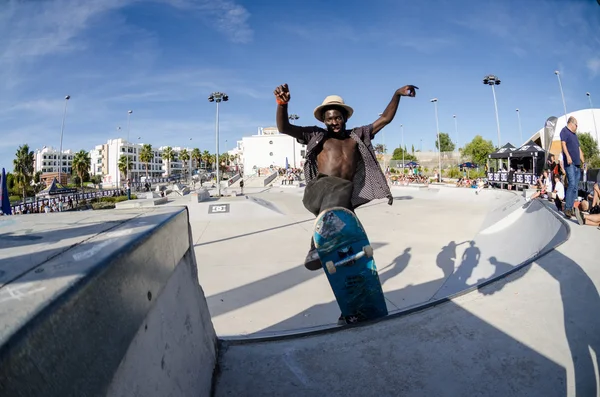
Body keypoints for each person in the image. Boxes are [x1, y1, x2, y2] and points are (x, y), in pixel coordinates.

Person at [273, 83, 418, 270]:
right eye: (329, 119)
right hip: (319, 191)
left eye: (338, 118)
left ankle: (348, 258)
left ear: (344, 118)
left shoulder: (356, 136)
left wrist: (397, 94)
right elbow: (284, 127)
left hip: (342, 199)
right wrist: (281, 105)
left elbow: (385, 119)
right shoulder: (317, 135)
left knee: (352, 229)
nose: (334, 123)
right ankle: (315, 246)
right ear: (324, 121)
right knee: (341, 188)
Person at [560, 116, 585, 218]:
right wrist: (568, 156)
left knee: (575, 187)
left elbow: (578, 149)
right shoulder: (565, 131)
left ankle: (571, 208)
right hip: (570, 163)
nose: (577, 127)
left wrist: (584, 161)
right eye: (576, 125)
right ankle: (568, 208)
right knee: (572, 183)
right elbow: (563, 144)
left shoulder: (575, 135)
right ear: (572, 123)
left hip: (577, 164)